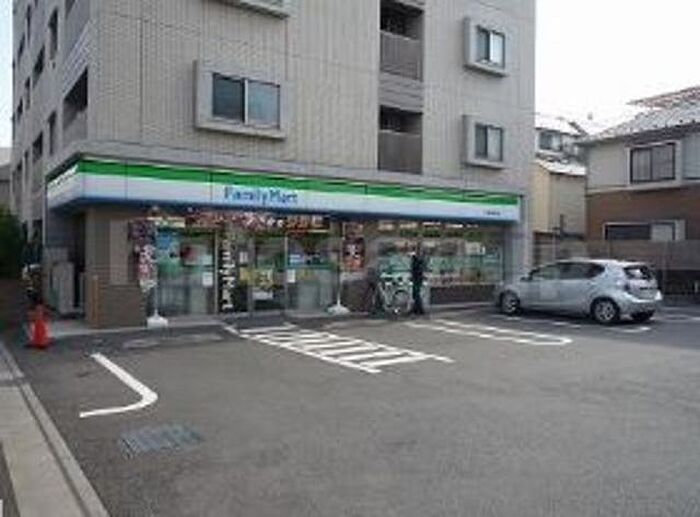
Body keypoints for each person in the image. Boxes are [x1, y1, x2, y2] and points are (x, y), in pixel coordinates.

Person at [410, 249, 426, 315]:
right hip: (418, 280)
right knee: (416, 294)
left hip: (416, 280)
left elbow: (415, 272)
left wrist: (412, 277)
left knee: (416, 294)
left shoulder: (415, 263)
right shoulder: (419, 263)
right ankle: (417, 309)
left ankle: (418, 309)